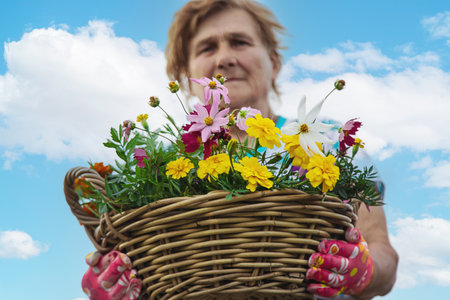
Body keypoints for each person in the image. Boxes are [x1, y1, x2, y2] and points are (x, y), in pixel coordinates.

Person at [81, 1, 399, 299]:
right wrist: (107, 281)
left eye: (240, 42)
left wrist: (365, 272)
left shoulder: (328, 142)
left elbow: (384, 255)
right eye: (207, 47)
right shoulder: (159, 168)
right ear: (187, 78)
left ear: (273, 63)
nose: (224, 58)